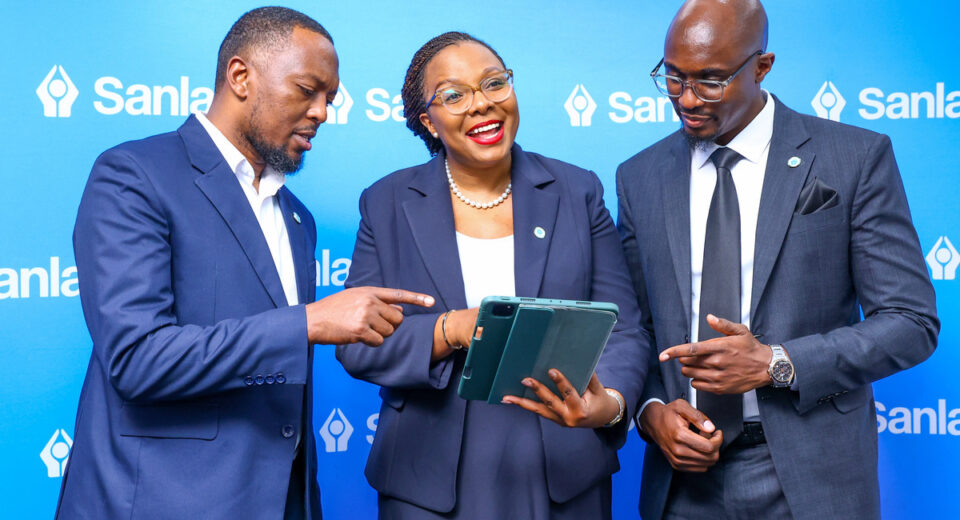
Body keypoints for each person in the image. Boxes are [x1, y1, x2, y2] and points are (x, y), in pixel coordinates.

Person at [56, 7, 433, 520]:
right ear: (240, 76)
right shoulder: (134, 176)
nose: (322, 112)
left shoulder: (297, 218)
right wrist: (309, 321)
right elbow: (137, 359)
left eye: (330, 99)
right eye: (307, 89)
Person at [614, 1, 939, 518]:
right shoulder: (640, 177)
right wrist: (652, 413)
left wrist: (774, 364)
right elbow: (635, 330)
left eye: (711, 81)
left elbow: (910, 322)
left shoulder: (854, 158)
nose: (687, 99)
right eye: (673, 78)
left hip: (810, 475)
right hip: (682, 481)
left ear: (762, 67)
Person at [335, 32, 650, 519]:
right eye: (454, 95)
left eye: (494, 84)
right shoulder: (386, 202)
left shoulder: (577, 190)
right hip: (426, 478)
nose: (482, 105)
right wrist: (451, 329)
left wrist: (607, 404)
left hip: (563, 469)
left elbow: (623, 327)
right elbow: (355, 343)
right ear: (428, 120)